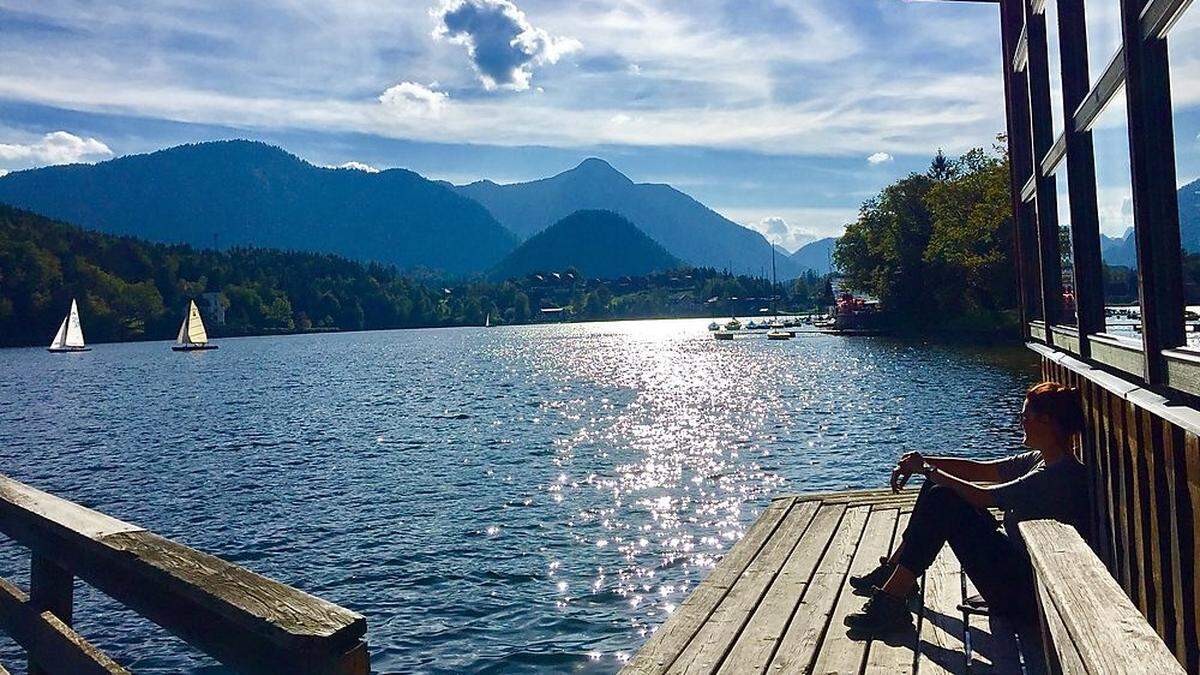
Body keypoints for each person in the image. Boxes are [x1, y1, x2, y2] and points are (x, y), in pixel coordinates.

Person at [842, 381, 1090, 634]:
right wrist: (920, 464)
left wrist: (927, 469)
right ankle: (894, 573)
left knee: (943, 498)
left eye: (1025, 416)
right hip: (1018, 578)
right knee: (936, 488)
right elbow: (981, 469)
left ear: (1046, 422)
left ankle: (890, 604)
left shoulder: (1057, 474)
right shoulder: (1041, 458)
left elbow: (983, 497)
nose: (1020, 423)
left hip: (1029, 597)